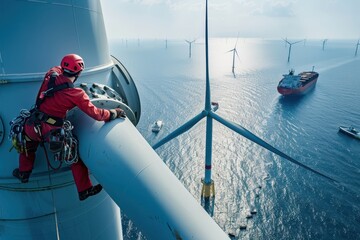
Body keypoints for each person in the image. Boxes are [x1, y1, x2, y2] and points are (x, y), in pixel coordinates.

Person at [12, 54, 126, 201]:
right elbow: (97, 114)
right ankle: (84, 189)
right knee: (73, 157)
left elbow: (56, 71)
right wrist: (113, 112)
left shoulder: (51, 74)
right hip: (53, 132)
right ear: (79, 73)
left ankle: (24, 173)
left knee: (26, 144)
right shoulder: (76, 94)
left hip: (33, 124)